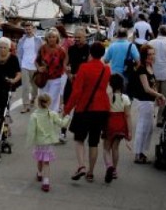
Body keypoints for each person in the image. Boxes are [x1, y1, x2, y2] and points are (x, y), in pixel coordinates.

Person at [63, 41, 111, 183]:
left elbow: (76, 92)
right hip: (101, 108)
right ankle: (91, 172)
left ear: (90, 53)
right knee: (94, 141)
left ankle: (81, 166)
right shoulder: (106, 69)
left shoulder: (84, 68)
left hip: (85, 108)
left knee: (79, 139)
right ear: (103, 54)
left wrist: (67, 110)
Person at [127, 44, 166, 164]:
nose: (152, 56)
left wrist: (156, 96)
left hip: (149, 101)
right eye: (149, 54)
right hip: (143, 101)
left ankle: (142, 152)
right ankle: (138, 154)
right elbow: (146, 88)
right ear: (144, 56)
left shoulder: (150, 67)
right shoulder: (142, 69)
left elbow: (153, 86)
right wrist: (159, 95)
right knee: (142, 128)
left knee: (148, 128)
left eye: (153, 54)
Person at [26, 93, 71, 192]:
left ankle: (39, 173)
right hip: (48, 143)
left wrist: (29, 142)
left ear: (37, 102)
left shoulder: (34, 116)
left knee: (39, 159)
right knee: (46, 162)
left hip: (39, 142)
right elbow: (62, 124)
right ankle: (46, 182)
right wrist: (67, 117)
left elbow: (31, 130)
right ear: (49, 103)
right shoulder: (52, 114)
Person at [102, 73, 132, 183]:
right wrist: (129, 131)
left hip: (109, 124)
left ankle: (109, 166)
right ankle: (114, 169)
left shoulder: (109, 97)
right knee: (115, 148)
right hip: (121, 124)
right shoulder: (125, 98)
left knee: (106, 148)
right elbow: (128, 115)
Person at [36, 28, 68, 113]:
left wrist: (66, 71)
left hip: (55, 79)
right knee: (42, 98)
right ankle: (42, 116)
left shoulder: (61, 50)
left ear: (57, 38)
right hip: (43, 78)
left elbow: (64, 64)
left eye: (53, 37)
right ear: (47, 38)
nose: (51, 39)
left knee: (53, 99)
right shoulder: (42, 48)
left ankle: (51, 117)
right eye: (49, 37)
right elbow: (36, 60)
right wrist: (39, 68)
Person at [16, 21, 43, 113]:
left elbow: (42, 53)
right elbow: (19, 53)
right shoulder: (21, 40)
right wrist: (20, 64)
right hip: (24, 66)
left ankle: (33, 99)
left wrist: (41, 65)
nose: (28, 31)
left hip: (35, 66)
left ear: (33, 29)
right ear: (24, 30)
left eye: (29, 29)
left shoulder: (38, 40)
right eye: (26, 29)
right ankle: (26, 105)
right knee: (25, 87)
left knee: (35, 87)